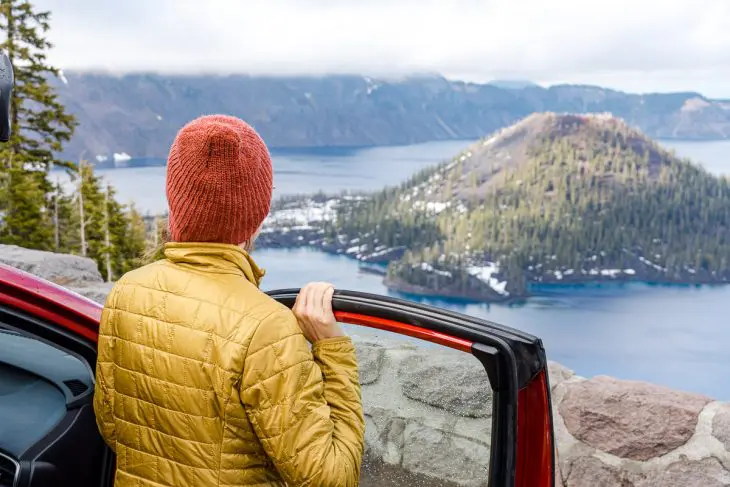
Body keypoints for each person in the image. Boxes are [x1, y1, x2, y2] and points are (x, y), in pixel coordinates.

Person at [92, 114, 365, 487]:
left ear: (176, 199)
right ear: (256, 214)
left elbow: (112, 425)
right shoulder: (266, 327)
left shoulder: (127, 291)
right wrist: (332, 351)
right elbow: (330, 479)